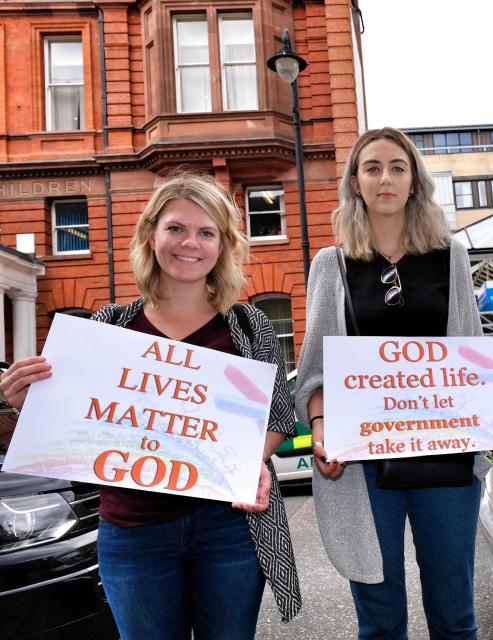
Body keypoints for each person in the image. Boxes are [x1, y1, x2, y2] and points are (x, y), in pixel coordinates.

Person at [0, 172, 302, 638]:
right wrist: (32, 403)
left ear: (223, 245)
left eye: (207, 232)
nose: (190, 243)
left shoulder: (248, 324)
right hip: (132, 530)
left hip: (227, 526)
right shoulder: (111, 327)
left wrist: (249, 461)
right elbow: (79, 426)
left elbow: (280, 416)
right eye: (176, 228)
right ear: (150, 234)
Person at [295, 127, 493, 640]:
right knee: (379, 622)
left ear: (415, 181)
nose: (386, 178)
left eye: (398, 167)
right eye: (372, 167)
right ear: (356, 182)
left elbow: (472, 350)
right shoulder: (331, 266)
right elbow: (315, 372)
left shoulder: (451, 256)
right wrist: (322, 425)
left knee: (455, 618)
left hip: (445, 462)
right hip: (364, 468)